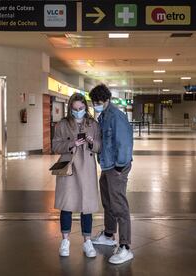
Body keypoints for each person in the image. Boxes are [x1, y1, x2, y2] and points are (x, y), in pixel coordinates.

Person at [89, 84, 134, 264]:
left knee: (119, 206)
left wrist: (118, 167)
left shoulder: (116, 117)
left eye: (98, 102)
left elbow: (124, 144)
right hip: (107, 166)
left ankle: (125, 246)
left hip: (116, 167)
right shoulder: (104, 116)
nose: (96, 105)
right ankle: (109, 235)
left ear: (107, 100)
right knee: (108, 201)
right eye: (94, 103)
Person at [52, 93, 101, 258]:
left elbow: (99, 146)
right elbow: (56, 145)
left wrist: (91, 142)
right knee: (67, 204)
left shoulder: (93, 124)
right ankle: (65, 241)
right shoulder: (63, 124)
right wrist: (72, 143)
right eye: (75, 109)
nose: (78, 112)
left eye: (81, 108)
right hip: (69, 167)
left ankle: (87, 241)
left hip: (86, 167)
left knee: (86, 205)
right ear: (70, 109)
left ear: (85, 107)